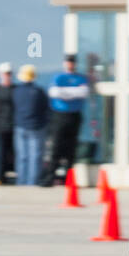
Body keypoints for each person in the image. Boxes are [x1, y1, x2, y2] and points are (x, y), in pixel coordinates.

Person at [39, 53, 90, 186]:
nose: (70, 64)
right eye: (68, 62)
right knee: (56, 147)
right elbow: (54, 93)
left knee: (71, 149)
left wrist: (64, 93)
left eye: (72, 62)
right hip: (59, 116)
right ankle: (50, 177)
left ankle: (68, 179)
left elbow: (83, 92)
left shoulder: (80, 78)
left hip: (74, 115)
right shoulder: (59, 77)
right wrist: (73, 92)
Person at [12, 64, 49, 186]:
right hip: (37, 127)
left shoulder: (16, 91)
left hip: (20, 126)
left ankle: (21, 181)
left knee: (22, 156)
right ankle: (33, 181)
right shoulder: (39, 91)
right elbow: (45, 108)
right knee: (35, 156)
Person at [0, 62, 15, 183]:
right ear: (0, 74)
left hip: (14, 126)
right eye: (5, 73)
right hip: (0, 126)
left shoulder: (16, 89)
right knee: (1, 153)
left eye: (9, 73)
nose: (7, 75)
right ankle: (0, 177)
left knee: (14, 154)